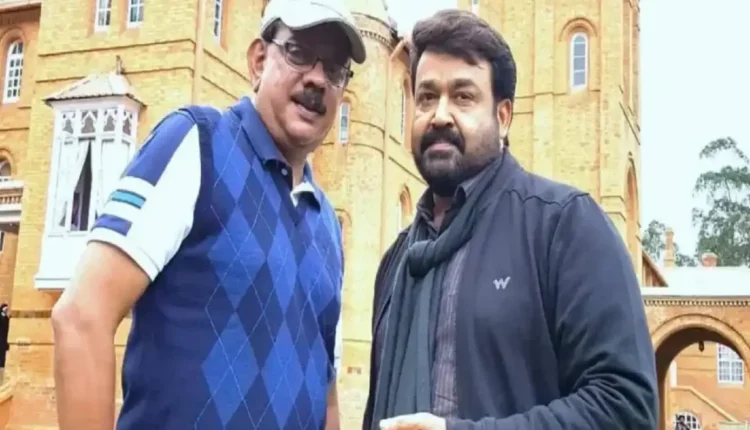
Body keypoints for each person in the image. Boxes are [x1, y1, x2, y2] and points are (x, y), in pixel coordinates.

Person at [50, 0, 366, 428]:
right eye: (298, 52)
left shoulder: (327, 223)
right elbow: (81, 315)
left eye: (335, 69)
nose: (317, 78)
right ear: (258, 60)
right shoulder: (198, 143)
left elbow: (325, 393)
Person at [363, 9, 658, 430]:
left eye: (463, 96)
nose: (440, 114)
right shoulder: (397, 262)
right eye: (426, 97)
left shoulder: (564, 226)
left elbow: (626, 406)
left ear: (503, 117)